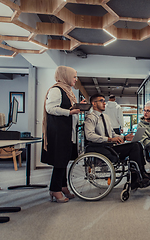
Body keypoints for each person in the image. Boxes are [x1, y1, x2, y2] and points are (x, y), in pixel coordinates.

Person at [84, 94, 150, 189]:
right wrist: (109, 139)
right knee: (134, 147)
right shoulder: (90, 117)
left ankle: (141, 172)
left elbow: (112, 133)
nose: (104, 103)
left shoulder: (106, 117)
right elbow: (89, 135)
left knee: (137, 144)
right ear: (94, 104)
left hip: (109, 146)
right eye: (101, 101)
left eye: (104, 101)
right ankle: (137, 177)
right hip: (100, 148)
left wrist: (124, 137)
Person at [41, 66, 85, 203]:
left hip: (66, 131)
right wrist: (70, 112)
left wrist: (77, 107)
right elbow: (50, 108)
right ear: (65, 76)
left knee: (64, 161)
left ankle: (63, 186)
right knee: (60, 161)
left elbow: (67, 108)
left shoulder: (68, 91)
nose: (75, 79)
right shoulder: (56, 90)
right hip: (58, 132)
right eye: (73, 77)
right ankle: (55, 189)